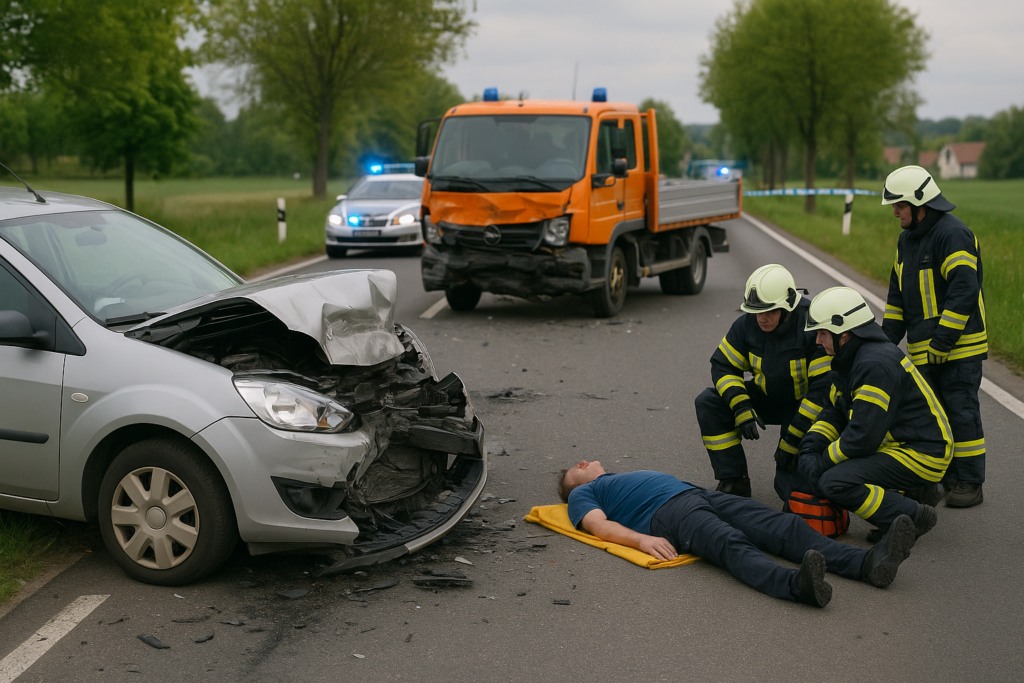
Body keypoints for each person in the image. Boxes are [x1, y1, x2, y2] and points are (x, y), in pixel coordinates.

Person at [557, 460, 921, 608]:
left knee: (784, 526)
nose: (588, 461)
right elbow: (598, 527)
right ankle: (797, 586)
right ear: (578, 474)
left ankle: (866, 564)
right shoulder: (581, 494)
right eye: (580, 464)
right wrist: (641, 540)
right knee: (729, 542)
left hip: (699, 495)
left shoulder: (614, 479)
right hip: (670, 514)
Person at [797, 286, 946, 540]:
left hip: (923, 451)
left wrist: (822, 462)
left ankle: (911, 517)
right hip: (901, 443)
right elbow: (834, 412)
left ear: (844, 333)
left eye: (822, 333)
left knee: (833, 482)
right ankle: (916, 491)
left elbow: (862, 437)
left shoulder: (874, 365)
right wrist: (810, 447)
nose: (818, 341)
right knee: (833, 470)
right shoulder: (850, 359)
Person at [880, 166, 987, 508]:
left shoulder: (952, 234)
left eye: (899, 205)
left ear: (920, 203)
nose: (895, 211)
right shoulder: (907, 239)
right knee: (930, 418)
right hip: (926, 351)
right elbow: (898, 298)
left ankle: (970, 481)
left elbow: (963, 291)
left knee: (961, 411)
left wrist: (943, 340)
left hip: (959, 348)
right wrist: (882, 346)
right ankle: (944, 477)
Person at [694, 264, 832, 500]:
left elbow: (822, 389)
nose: (761, 318)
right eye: (756, 311)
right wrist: (741, 407)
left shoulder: (813, 325)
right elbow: (724, 365)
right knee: (709, 402)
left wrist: (792, 439)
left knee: (791, 489)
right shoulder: (747, 324)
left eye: (769, 311)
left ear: (787, 306)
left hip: (805, 407)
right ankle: (733, 480)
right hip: (767, 396)